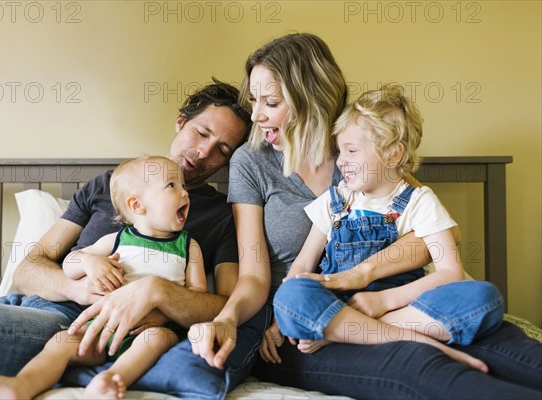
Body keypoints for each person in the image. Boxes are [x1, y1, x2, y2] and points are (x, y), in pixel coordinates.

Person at [186, 33, 542, 399]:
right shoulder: (253, 161)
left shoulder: (360, 147)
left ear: (312, 98)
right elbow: (255, 275)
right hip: (314, 321)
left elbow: (437, 234)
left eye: (271, 102)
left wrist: (363, 277)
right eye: (255, 100)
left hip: (396, 304)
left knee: (509, 344)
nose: (256, 115)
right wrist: (227, 319)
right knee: (417, 365)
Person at [0, 79, 272, 399]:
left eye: (222, 150)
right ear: (180, 121)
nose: (203, 153)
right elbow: (27, 269)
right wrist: (79, 288)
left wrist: (160, 294)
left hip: (105, 332)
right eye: (201, 133)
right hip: (54, 312)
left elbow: (228, 306)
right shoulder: (111, 184)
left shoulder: (221, 216)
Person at [273, 84, 504, 362]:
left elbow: (450, 272)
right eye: (340, 152)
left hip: (399, 308)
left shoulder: (420, 202)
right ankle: (356, 329)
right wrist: (281, 313)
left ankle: (347, 333)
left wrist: (382, 302)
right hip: (339, 306)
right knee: (290, 295)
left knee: (485, 298)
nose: (341, 162)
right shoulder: (334, 201)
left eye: (352, 151)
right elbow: (302, 264)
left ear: (394, 154)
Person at [0, 156, 207, 399]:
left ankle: (109, 380)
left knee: (160, 338)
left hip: (151, 330)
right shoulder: (116, 240)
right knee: (62, 340)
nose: (185, 193)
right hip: (102, 327)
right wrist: (89, 262)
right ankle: (19, 387)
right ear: (136, 205)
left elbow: (198, 296)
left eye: (183, 186)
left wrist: (165, 312)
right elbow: (70, 264)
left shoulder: (188, 246)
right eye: (172, 186)